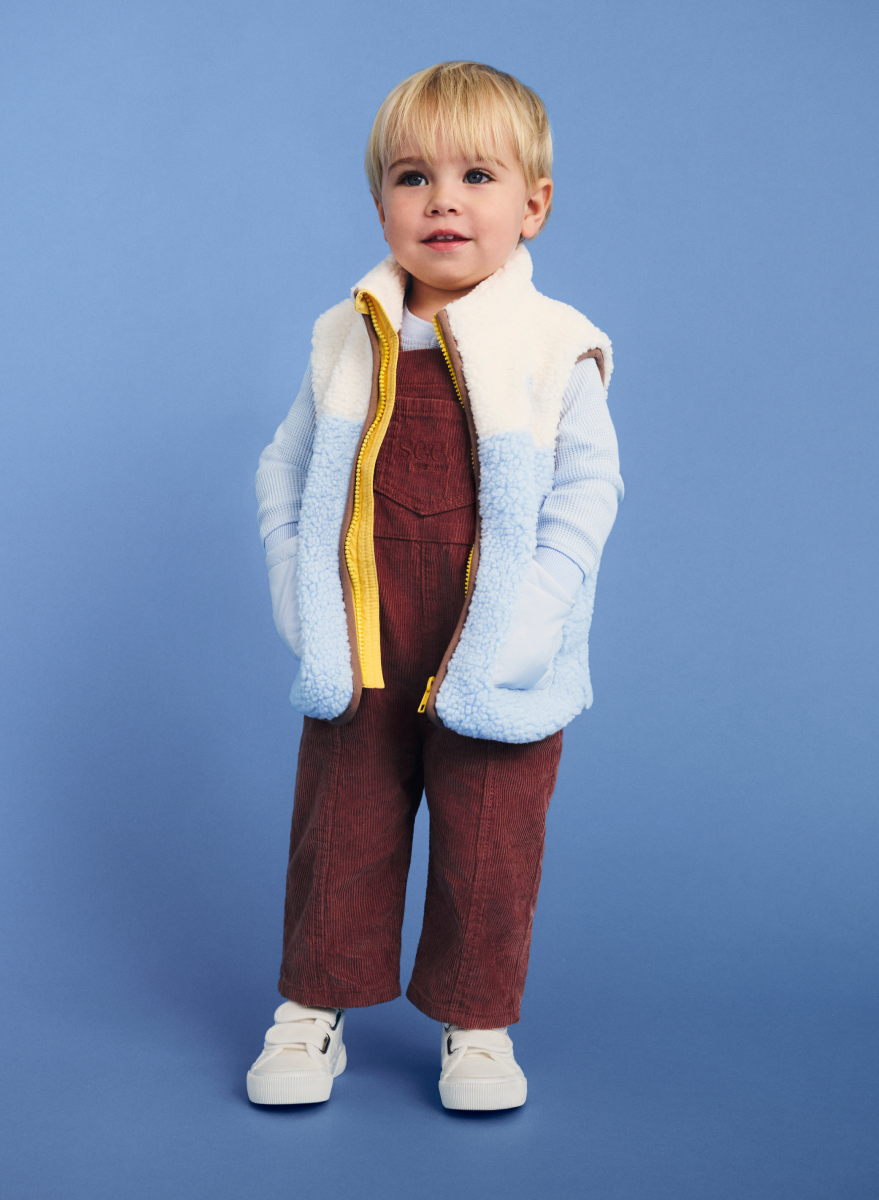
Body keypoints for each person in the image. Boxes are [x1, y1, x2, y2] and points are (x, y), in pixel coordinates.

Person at [247, 61, 623, 1111]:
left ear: (533, 205)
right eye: (413, 177)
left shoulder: (557, 345)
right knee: (341, 828)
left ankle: (478, 1024)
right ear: (382, 206)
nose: (443, 200)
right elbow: (285, 466)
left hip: (496, 648)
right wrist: (297, 590)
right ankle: (311, 1011)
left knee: (490, 843)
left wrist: (531, 618)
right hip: (366, 638)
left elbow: (588, 491)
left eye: (476, 176)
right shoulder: (346, 336)